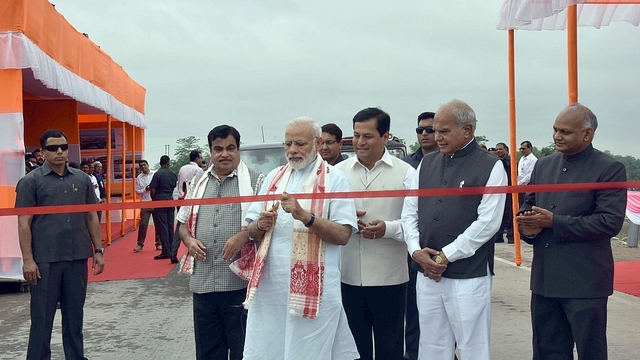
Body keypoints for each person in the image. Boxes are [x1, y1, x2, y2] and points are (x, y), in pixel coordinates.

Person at [515, 103, 627, 360]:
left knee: (591, 351)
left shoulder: (609, 169)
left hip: (585, 282)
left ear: (587, 134)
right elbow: (528, 207)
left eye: (565, 131)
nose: (556, 136)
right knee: (546, 351)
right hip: (545, 281)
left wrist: (556, 222)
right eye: (555, 129)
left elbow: (609, 222)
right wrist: (527, 226)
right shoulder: (543, 166)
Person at [242, 116, 359, 360]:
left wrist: (306, 217)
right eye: (288, 144)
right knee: (267, 347)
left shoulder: (335, 179)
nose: (292, 150)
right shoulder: (273, 178)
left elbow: (343, 235)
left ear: (317, 143)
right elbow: (250, 230)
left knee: (310, 350)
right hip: (272, 288)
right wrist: (260, 226)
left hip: (315, 290)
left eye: (300, 143)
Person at [402, 99, 507, 360]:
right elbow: (409, 212)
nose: (436, 137)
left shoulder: (491, 166)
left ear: (468, 130)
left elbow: (488, 224)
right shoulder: (426, 164)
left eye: (444, 131)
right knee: (432, 345)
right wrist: (416, 251)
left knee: (472, 347)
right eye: (434, 130)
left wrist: (444, 256)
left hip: (468, 275)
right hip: (426, 272)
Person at [15, 129, 105, 360]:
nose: (59, 152)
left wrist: (98, 250)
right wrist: (28, 260)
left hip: (76, 258)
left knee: (75, 317)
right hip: (45, 261)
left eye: (63, 147)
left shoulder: (82, 179)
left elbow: (91, 216)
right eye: (53, 148)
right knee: (42, 320)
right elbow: (24, 223)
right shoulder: (30, 182)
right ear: (42, 152)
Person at [177, 125, 264, 360]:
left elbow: (267, 224)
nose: (224, 154)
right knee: (208, 352)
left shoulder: (256, 182)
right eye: (218, 149)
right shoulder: (198, 183)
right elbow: (182, 223)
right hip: (203, 283)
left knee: (243, 351)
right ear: (210, 152)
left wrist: (244, 235)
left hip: (239, 284)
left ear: (239, 149)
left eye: (230, 148)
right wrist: (189, 240)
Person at [336, 107, 415, 360]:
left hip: (390, 277)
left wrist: (387, 228)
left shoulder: (407, 174)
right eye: (356, 135)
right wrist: (346, 221)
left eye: (368, 136)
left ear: (386, 136)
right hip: (348, 275)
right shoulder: (339, 173)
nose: (360, 142)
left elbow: (415, 225)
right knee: (353, 348)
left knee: (390, 347)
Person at [401, 110, 438, 360]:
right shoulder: (408, 165)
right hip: (414, 247)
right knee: (413, 310)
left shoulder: (452, 163)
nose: (424, 134)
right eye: (420, 130)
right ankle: (413, 354)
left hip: (446, 250)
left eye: (430, 129)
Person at [172, 150, 204, 263]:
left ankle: (173, 252)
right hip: (194, 201)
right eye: (200, 158)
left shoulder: (182, 169)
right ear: (197, 159)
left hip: (181, 200)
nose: (201, 160)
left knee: (180, 227)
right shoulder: (199, 170)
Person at [149, 155, 177, 261]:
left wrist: (154, 200)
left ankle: (166, 251)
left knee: (162, 226)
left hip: (160, 200)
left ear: (160, 163)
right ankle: (171, 249)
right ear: (168, 163)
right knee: (170, 226)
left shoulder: (157, 174)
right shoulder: (173, 174)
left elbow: (153, 190)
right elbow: (173, 186)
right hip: (170, 199)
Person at [133, 160, 162, 252]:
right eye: (141, 166)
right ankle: (140, 244)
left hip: (155, 201)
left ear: (148, 165)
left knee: (158, 224)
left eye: (144, 165)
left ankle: (159, 243)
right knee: (143, 224)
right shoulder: (139, 178)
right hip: (145, 202)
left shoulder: (155, 174)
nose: (143, 167)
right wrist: (145, 189)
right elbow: (137, 191)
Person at [494, 142, 514, 244]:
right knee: (500, 212)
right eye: (497, 149)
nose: (498, 151)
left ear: (506, 150)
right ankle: (499, 235)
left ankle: (511, 235)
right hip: (500, 190)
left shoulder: (511, 161)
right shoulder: (496, 162)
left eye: (500, 149)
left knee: (510, 213)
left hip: (510, 190)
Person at [517, 140, 537, 205]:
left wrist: (519, 183)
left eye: (523, 148)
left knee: (524, 204)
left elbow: (529, 175)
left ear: (530, 148)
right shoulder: (522, 158)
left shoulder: (533, 160)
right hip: (519, 186)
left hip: (526, 186)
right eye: (521, 149)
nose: (522, 150)